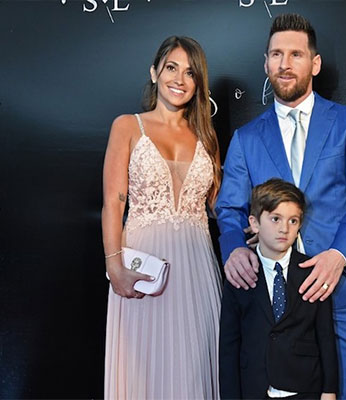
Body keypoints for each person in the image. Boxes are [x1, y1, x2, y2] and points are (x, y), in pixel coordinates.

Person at [215, 14, 346, 399]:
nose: (285, 63)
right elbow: (229, 210)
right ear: (266, 63)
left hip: (340, 293)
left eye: (296, 54)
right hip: (274, 308)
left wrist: (338, 256)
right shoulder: (246, 139)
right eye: (276, 54)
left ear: (315, 63)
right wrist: (233, 249)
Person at [101, 36, 223, 399]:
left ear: (199, 83)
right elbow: (113, 202)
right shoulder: (127, 126)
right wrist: (114, 266)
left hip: (197, 268)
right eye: (171, 67)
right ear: (154, 72)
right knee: (143, 369)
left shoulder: (207, 136)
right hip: (143, 269)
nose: (179, 79)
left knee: (193, 370)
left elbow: (220, 205)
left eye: (190, 72)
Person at [219, 178, 338, 400]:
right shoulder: (240, 274)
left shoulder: (312, 272)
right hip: (255, 388)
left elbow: (325, 336)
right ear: (255, 223)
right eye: (275, 219)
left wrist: (329, 390)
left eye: (293, 221)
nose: (284, 229)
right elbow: (229, 345)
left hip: (305, 389)